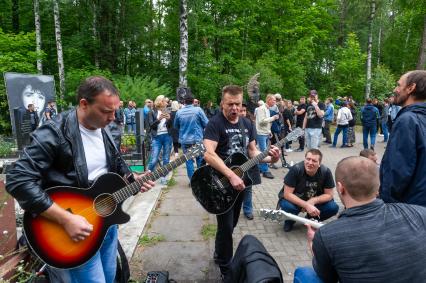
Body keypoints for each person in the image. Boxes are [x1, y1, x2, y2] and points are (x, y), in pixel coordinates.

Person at [6, 76, 155, 283]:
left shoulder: (107, 128)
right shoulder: (54, 132)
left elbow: (114, 164)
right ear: (84, 104)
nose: (113, 117)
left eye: (115, 110)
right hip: (71, 229)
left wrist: (132, 176)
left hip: (106, 221)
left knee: (111, 276)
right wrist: (65, 219)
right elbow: (17, 179)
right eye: (106, 111)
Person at [294, 156, 426, 283]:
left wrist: (314, 246)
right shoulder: (418, 212)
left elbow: (327, 278)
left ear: (340, 188)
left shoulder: (326, 236)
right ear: (378, 186)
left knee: (304, 273)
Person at [203, 85, 280, 277]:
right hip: (220, 183)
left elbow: (252, 152)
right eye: (230, 104)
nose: (234, 108)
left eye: (237, 104)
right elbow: (209, 155)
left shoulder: (247, 124)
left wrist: (272, 159)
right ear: (222, 103)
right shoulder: (215, 123)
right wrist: (230, 174)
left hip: (241, 183)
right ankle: (225, 267)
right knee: (226, 226)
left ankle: (220, 251)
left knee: (232, 223)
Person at [379, 70, 426, 206]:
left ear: (411, 88)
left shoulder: (407, 120)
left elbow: (397, 171)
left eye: (399, 85)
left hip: (406, 206)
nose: (395, 89)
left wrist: (385, 203)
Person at [278, 149, 339, 232]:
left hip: (314, 203)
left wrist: (313, 201)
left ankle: (311, 219)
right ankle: (290, 221)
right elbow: (287, 194)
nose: (310, 163)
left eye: (314, 161)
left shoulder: (326, 172)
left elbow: (329, 195)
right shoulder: (296, 169)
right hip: (296, 201)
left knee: (333, 207)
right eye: (308, 159)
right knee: (287, 206)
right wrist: (306, 205)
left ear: (319, 164)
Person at [173, 92, 209, 181]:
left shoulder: (179, 112)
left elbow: (175, 126)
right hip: (197, 139)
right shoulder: (198, 110)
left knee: (188, 161)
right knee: (200, 160)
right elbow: (207, 123)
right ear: (193, 101)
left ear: (184, 102)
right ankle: (200, 180)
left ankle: (192, 181)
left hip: (185, 140)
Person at [239, 102, 261, 220]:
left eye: (244, 111)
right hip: (232, 164)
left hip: (247, 162)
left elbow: (253, 148)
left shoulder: (249, 124)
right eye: (240, 110)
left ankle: (248, 209)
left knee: (248, 187)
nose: (242, 113)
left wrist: (269, 158)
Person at [147, 95, 173, 185]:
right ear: (161, 102)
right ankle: (146, 176)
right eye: (165, 101)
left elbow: (171, 125)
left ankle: (164, 177)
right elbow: (151, 125)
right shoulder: (152, 112)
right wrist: (159, 119)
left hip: (167, 136)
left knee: (166, 158)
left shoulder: (167, 111)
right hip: (157, 137)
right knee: (154, 159)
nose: (167, 103)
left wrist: (169, 119)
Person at [255, 94, 279, 179]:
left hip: (264, 132)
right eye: (274, 100)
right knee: (264, 152)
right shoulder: (261, 108)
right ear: (268, 100)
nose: (275, 102)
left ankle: (260, 168)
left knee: (263, 151)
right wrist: (273, 118)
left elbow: (266, 123)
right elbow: (261, 121)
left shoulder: (267, 109)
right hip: (261, 133)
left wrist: (269, 131)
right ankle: (265, 170)